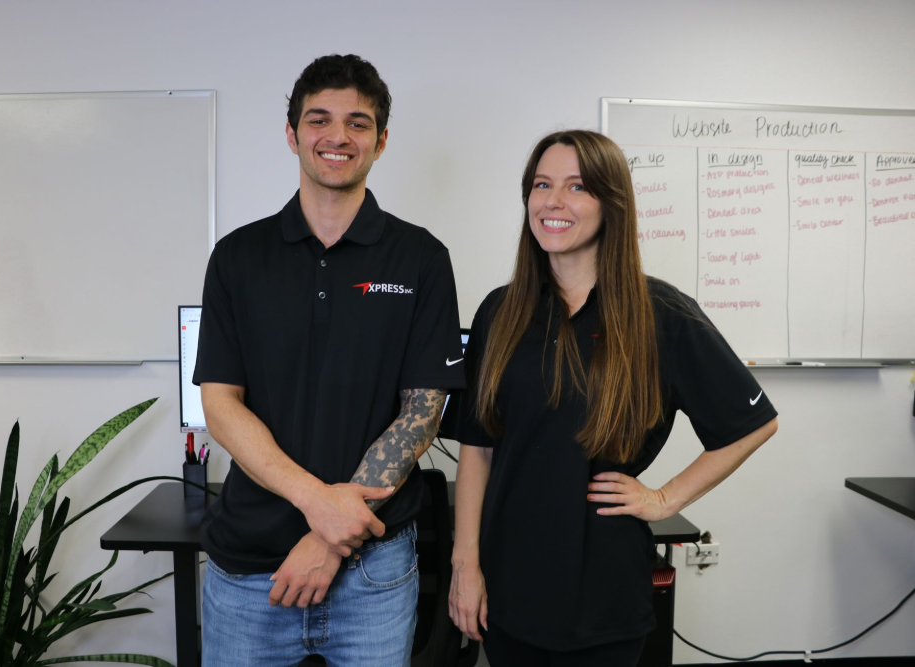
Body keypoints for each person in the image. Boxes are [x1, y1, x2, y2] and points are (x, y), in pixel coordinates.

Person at [444, 130, 778, 666]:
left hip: (603, 595)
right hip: (508, 585)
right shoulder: (500, 312)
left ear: (611, 203)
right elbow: (477, 448)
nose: (553, 201)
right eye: (542, 185)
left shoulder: (660, 314)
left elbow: (753, 423)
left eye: (577, 187)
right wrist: (465, 564)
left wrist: (665, 499)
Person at [193, 54, 465, 667]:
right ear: (293, 135)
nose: (337, 136)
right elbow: (221, 405)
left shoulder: (421, 258)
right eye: (319, 119)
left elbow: (422, 414)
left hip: (373, 573)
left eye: (357, 123)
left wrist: (329, 538)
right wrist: (319, 503)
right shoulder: (237, 257)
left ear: (381, 141)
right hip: (249, 573)